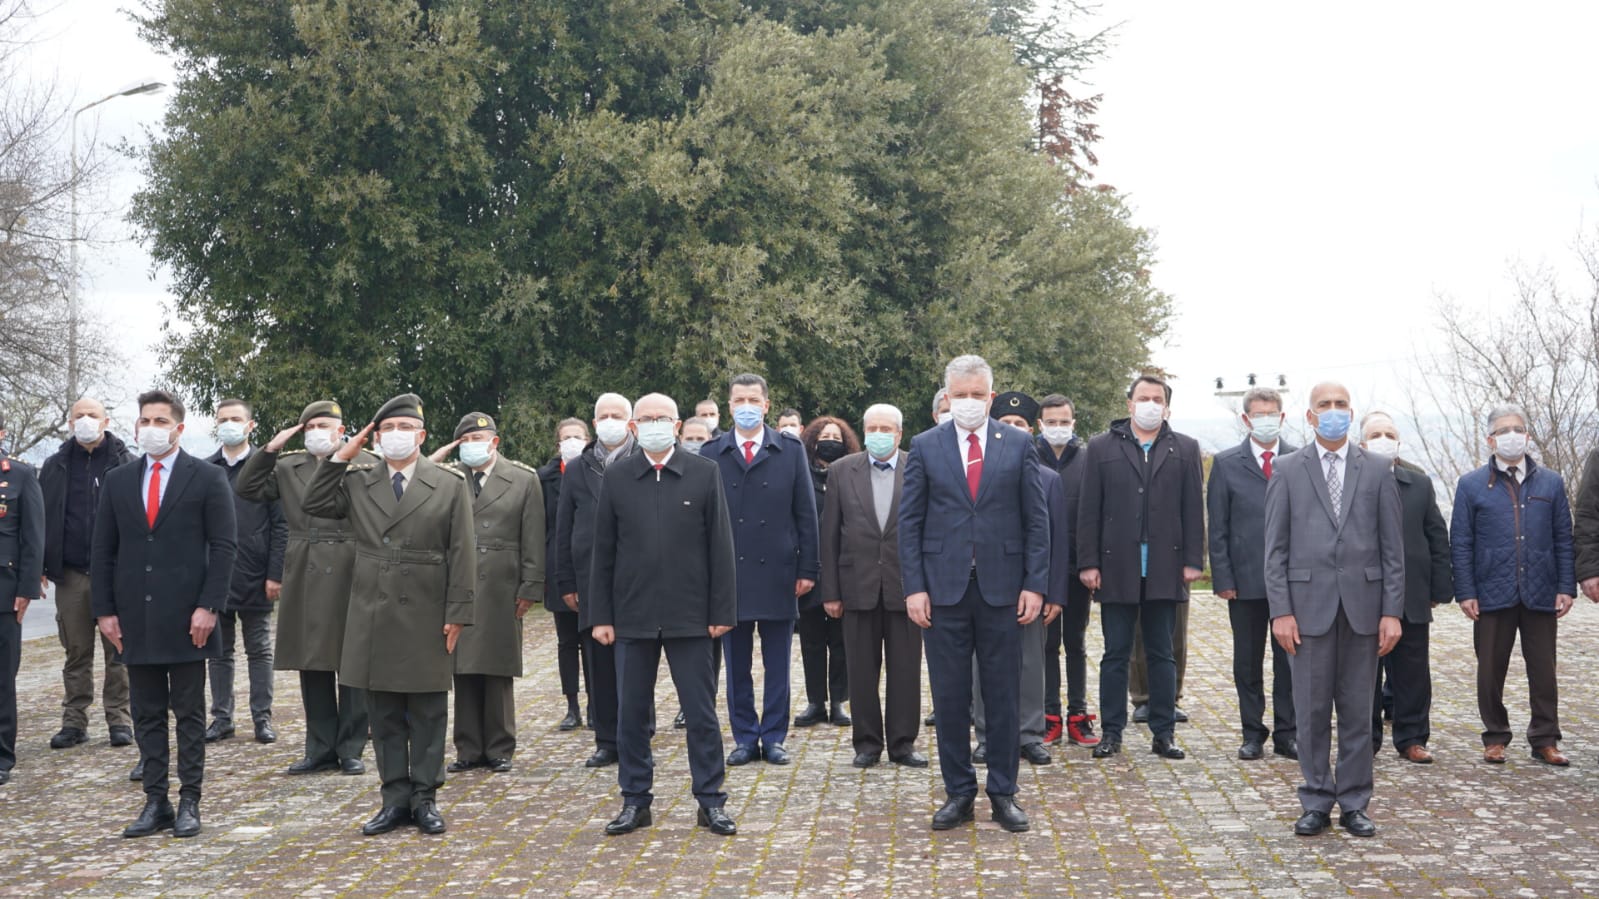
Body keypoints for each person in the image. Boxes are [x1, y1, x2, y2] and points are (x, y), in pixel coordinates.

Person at [303, 393, 476, 836]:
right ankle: (394, 797)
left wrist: (458, 611)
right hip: (373, 607)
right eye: (387, 431)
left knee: (429, 709)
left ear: (421, 436)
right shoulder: (359, 480)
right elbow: (314, 502)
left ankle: (425, 797)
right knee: (383, 712)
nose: (396, 437)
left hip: (428, 606)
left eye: (405, 430)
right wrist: (346, 452)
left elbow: (463, 552)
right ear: (375, 438)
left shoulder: (449, 482)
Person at [899, 354, 1049, 833]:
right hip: (942, 592)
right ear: (947, 396)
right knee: (948, 695)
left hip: (1004, 590)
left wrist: (1034, 584)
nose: (968, 403)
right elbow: (910, 524)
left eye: (976, 394)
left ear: (991, 393)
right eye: (959, 395)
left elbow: (1036, 521)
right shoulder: (925, 446)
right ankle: (958, 792)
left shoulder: (1020, 444)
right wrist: (915, 588)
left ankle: (1004, 792)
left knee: (1002, 694)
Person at [589, 393, 739, 837]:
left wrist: (721, 611)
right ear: (634, 427)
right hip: (631, 616)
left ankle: (710, 801)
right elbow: (603, 553)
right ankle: (636, 801)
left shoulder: (704, 472)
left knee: (701, 714)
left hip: (691, 616)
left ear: (677, 425)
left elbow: (721, 548)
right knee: (631, 714)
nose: (655, 424)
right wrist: (602, 616)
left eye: (663, 418)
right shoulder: (617, 477)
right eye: (646, 418)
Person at [92, 389, 237, 838]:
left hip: (189, 616)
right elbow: (103, 551)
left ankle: (190, 799)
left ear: (178, 427)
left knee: (189, 712)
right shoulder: (119, 480)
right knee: (147, 711)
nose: (150, 428)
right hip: (137, 616)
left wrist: (209, 605)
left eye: (159, 420)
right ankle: (156, 801)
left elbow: (225, 546)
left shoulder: (207, 478)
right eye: (144, 421)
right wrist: (105, 611)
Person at [1263, 380, 1403, 839]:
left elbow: (1392, 550)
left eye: (1342, 404)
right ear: (1310, 415)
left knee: (1359, 711)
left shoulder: (1379, 469)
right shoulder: (1286, 469)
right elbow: (1275, 551)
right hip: (1306, 611)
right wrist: (1280, 611)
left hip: (1365, 609)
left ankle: (1356, 802)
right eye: (1325, 404)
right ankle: (1316, 799)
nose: (1334, 411)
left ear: (1351, 410)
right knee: (1311, 710)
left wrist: (1391, 611)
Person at [240, 401, 373, 776]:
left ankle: (351, 747)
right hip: (305, 564)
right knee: (312, 660)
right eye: (310, 425)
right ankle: (319, 747)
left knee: (351, 658)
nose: (316, 431)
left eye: (323, 425)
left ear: (341, 429)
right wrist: (268, 450)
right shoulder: (287, 466)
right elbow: (247, 488)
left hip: (351, 560)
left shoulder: (364, 462)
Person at [1077, 374, 1203, 761]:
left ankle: (1163, 732)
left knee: (1162, 652)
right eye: (1143, 397)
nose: (1150, 404)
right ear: (1129, 403)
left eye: (1158, 398)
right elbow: (1088, 509)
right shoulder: (1100, 448)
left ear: (1167, 406)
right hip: (1116, 566)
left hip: (1166, 566)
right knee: (1115, 652)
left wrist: (1194, 560)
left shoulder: (1184, 447)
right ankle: (1111, 732)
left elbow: (1193, 508)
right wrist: (1088, 562)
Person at [1450, 404, 1574, 767]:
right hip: (1491, 591)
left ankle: (1545, 738)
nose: (1511, 435)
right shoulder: (1471, 484)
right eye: (1503, 430)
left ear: (1528, 436)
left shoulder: (1550, 482)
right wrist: (1466, 591)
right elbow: (1461, 541)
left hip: (1540, 589)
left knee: (1544, 670)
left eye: (1518, 428)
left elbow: (1563, 538)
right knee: (1489, 669)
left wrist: (1565, 586)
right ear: (1490, 439)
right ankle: (1495, 736)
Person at [705, 373, 820, 767]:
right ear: (729, 405)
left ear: (767, 405)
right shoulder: (711, 452)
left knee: (778, 664)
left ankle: (773, 737)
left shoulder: (788, 450)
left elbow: (806, 514)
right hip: (729, 575)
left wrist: (808, 567)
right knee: (736, 664)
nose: (747, 406)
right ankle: (743, 737)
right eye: (739, 400)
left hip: (779, 571)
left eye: (754, 399)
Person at [430, 413, 545, 773]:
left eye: (478, 439)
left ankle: (499, 746)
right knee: (461, 666)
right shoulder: (448, 477)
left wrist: (530, 586)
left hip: (502, 582)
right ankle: (467, 748)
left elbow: (534, 537)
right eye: (464, 440)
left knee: (497, 667)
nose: (472, 446)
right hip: (459, 580)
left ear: (494, 442)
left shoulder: (523, 479)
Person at [817, 403, 926, 769]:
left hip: (906, 588)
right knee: (861, 669)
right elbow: (829, 535)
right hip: (856, 586)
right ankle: (866, 743)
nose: (879, 434)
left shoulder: (918, 467)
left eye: (886, 429)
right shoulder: (842, 471)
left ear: (899, 433)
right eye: (872, 428)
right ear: (864, 432)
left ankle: (903, 743)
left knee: (906, 669)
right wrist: (830, 591)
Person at [39, 397, 135, 756]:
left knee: (119, 650)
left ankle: (120, 720)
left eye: (92, 415)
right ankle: (74, 721)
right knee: (75, 650)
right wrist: (41, 566)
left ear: (105, 420)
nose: (85, 420)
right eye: (79, 415)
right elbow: (42, 518)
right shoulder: (55, 466)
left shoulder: (125, 462)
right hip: (70, 573)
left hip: (116, 573)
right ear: (69, 422)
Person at [975, 391, 1066, 768]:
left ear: (1031, 432)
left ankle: (1030, 734)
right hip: (985, 583)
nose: (1012, 430)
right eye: (1005, 424)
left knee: (1031, 663)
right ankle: (986, 734)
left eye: (1020, 425)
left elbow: (1056, 540)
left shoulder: (1048, 479)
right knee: (983, 664)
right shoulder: (977, 472)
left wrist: (1051, 592)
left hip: (1029, 585)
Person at [1207, 387, 1297, 761]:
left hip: (1292, 583)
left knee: (1289, 661)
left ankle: (1287, 733)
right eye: (1258, 413)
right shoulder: (1227, 464)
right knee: (1247, 661)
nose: (1266, 419)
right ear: (1245, 419)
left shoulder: (1297, 460)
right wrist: (1223, 579)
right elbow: (1218, 527)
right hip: (1244, 582)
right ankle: (1251, 732)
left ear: (1282, 416)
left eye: (1272, 412)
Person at [1360, 413, 1452, 763]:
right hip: (1364, 594)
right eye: (1376, 434)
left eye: (1389, 434)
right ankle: (1365, 739)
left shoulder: (1419, 484)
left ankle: (1412, 738)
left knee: (1413, 672)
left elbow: (1436, 536)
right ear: (1362, 444)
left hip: (1412, 592)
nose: (1383, 439)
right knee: (1364, 673)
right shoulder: (1353, 485)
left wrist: (1440, 587)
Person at [555, 392, 639, 768]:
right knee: (599, 661)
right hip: (591, 576)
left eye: (616, 415)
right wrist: (567, 580)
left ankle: (639, 730)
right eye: (603, 415)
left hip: (639, 575)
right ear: (593, 423)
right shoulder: (578, 468)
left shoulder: (644, 460)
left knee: (637, 658)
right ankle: (607, 739)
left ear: (630, 420)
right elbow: (564, 529)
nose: (609, 421)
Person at [204, 399, 287, 745]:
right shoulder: (207, 470)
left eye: (236, 419)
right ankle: (222, 718)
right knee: (219, 652)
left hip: (256, 573)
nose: (229, 424)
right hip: (217, 576)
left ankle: (261, 718)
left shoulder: (268, 469)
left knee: (259, 650)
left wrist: (275, 573)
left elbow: (281, 526)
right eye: (223, 419)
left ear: (250, 425)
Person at [1034, 394, 1097, 747]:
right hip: (1039, 571)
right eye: (1051, 421)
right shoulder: (1027, 457)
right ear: (1040, 425)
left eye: (1064, 421)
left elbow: (1094, 516)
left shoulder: (1088, 460)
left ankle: (1078, 715)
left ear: (1074, 423)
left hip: (1076, 569)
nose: (1058, 427)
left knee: (1075, 642)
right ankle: (1047, 715)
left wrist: (1090, 564)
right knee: (1045, 644)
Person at [794, 415, 856, 729]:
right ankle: (815, 701)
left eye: (836, 436)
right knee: (812, 640)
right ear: (813, 439)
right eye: (824, 435)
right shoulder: (801, 475)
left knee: (842, 641)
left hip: (843, 569)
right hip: (808, 568)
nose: (830, 440)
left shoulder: (850, 475)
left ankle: (840, 701)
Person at [0, 412, 44, 785]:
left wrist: (26, 589)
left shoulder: (20, 475)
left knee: (1, 678)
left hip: (3, 592)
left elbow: (33, 536)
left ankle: (2, 756)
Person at [538, 419, 589, 731]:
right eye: (566, 438)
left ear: (588, 439)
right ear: (557, 444)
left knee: (595, 642)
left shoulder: (597, 470)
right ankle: (572, 705)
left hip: (591, 566)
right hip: (558, 565)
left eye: (577, 437)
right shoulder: (544, 478)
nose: (571, 442)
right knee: (567, 641)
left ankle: (598, 705)